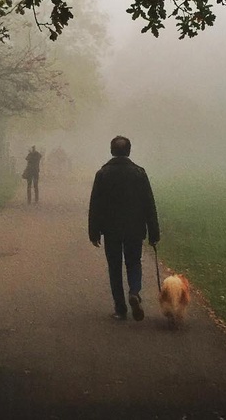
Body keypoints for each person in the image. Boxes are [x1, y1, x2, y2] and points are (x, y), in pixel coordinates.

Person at [88, 136, 160, 321]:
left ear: (112, 151)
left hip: (111, 229)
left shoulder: (103, 174)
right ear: (129, 151)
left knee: (114, 267)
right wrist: (154, 232)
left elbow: (95, 205)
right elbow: (148, 204)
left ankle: (120, 309)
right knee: (134, 262)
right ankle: (134, 291)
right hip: (134, 229)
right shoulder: (139, 173)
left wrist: (94, 232)